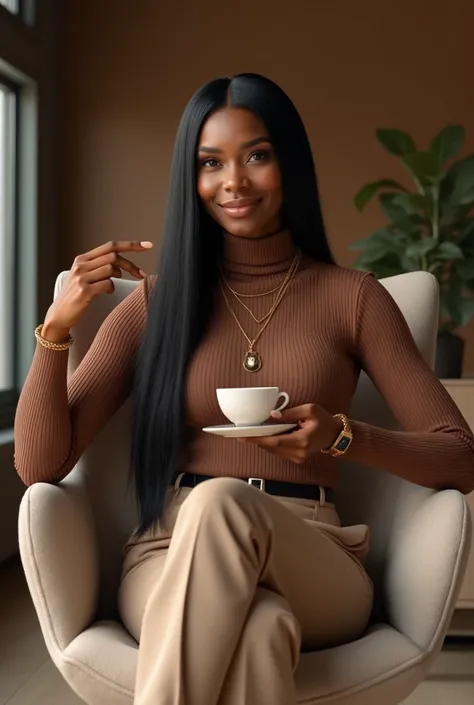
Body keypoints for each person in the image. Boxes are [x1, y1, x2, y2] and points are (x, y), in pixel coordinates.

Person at [14, 73, 474, 705]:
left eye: (257, 155)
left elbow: (460, 454)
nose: (233, 181)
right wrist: (56, 330)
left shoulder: (354, 298)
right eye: (210, 163)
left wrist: (345, 436)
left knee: (221, 502)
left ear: (289, 162)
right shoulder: (155, 303)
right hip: (165, 557)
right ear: (192, 177)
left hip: (312, 553)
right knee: (260, 634)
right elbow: (40, 465)